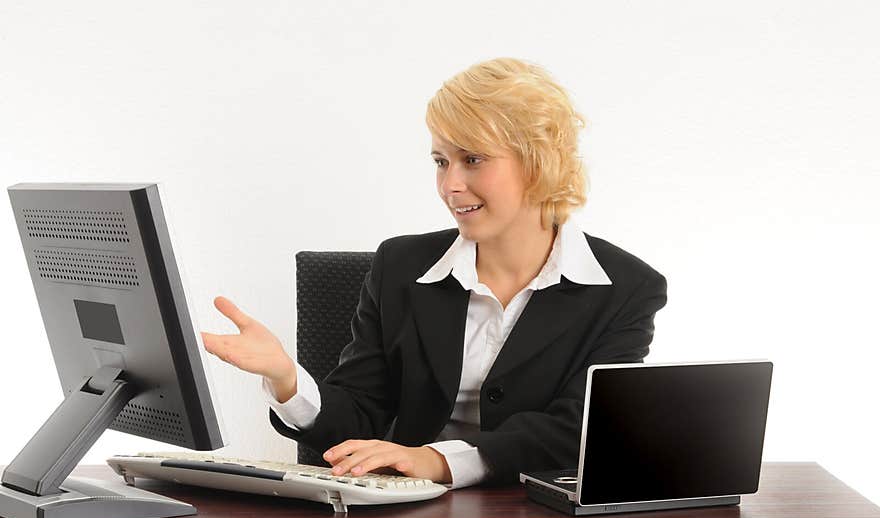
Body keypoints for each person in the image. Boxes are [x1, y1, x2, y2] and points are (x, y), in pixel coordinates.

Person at [202, 57, 667, 488]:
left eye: (474, 159)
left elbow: (577, 430)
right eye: (441, 161)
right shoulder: (400, 268)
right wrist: (287, 378)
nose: (450, 185)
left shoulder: (626, 289)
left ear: (539, 161)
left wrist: (439, 460)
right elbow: (358, 419)